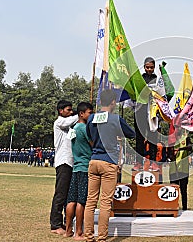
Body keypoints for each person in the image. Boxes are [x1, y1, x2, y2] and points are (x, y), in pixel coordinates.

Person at [84, 89, 135, 242]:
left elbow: (89, 136)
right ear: (113, 102)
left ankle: (88, 236)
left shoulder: (91, 118)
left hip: (94, 161)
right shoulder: (115, 119)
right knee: (106, 202)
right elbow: (131, 134)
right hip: (109, 162)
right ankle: (101, 238)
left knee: (90, 200)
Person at [64, 102, 94, 240]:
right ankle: (78, 232)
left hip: (76, 167)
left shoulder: (74, 128)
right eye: (89, 112)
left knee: (71, 200)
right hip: (84, 167)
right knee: (81, 201)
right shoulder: (84, 128)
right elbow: (92, 144)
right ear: (81, 114)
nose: (91, 115)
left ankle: (68, 230)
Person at [50, 100, 78, 235]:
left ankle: (66, 223)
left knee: (68, 195)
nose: (71, 112)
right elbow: (70, 121)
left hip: (71, 162)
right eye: (68, 110)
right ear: (61, 111)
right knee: (60, 194)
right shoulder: (60, 122)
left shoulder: (71, 126)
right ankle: (55, 224)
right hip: (63, 162)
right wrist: (81, 113)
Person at [133, 57, 159, 171]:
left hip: (153, 111)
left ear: (154, 68)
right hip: (140, 111)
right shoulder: (140, 79)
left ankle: (153, 162)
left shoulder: (157, 79)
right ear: (144, 67)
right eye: (147, 67)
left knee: (153, 137)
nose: (149, 69)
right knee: (140, 137)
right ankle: (138, 162)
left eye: (151, 67)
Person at [169, 134, 192, 211]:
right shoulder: (171, 139)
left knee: (183, 189)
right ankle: (172, 207)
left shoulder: (185, 138)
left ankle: (184, 208)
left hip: (183, 169)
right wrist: (172, 154)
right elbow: (168, 152)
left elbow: (190, 147)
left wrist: (180, 149)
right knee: (173, 189)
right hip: (173, 169)